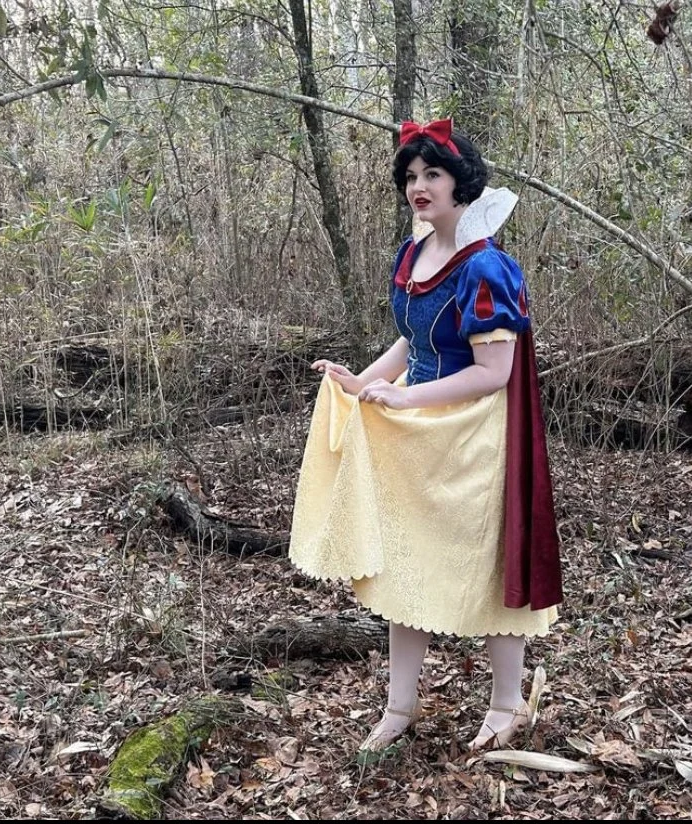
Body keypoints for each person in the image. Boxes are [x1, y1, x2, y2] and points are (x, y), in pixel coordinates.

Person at [289, 118, 562, 755]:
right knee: (402, 568)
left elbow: (495, 372)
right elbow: (414, 340)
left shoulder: (487, 267)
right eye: (411, 176)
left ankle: (506, 703)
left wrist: (407, 394)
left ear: (460, 183)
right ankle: (400, 706)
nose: (420, 185)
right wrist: (362, 381)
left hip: (473, 439)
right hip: (418, 435)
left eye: (432, 173)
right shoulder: (415, 254)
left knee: (489, 568)